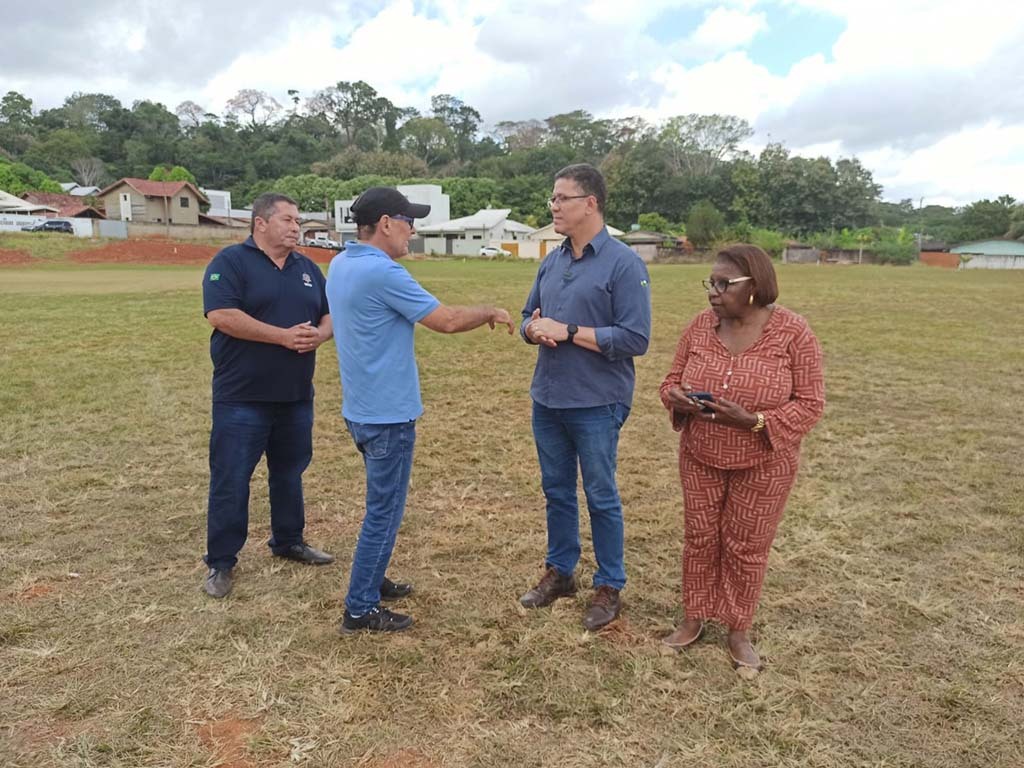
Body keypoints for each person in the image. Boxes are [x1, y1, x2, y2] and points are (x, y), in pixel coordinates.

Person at [326, 186, 514, 634]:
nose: (414, 229)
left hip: (360, 409)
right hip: (387, 415)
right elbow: (445, 320)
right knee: (384, 510)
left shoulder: (340, 263)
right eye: (409, 221)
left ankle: (371, 577)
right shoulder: (383, 272)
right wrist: (489, 310)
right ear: (387, 224)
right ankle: (360, 607)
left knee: (381, 507)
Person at [658, 244, 825, 671]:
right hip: (701, 454)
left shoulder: (792, 332)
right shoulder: (700, 327)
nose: (712, 292)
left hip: (764, 462)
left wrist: (753, 421)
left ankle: (737, 629)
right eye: (710, 283)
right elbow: (670, 381)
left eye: (723, 284)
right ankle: (693, 618)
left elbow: (810, 404)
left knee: (746, 547)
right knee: (700, 538)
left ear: (754, 286)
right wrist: (676, 397)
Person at [518, 164, 652, 631]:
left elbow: (636, 338)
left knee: (600, 494)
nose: (553, 206)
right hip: (548, 397)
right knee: (556, 490)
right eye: (552, 198)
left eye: (561, 198)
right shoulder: (551, 261)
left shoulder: (624, 263)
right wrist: (533, 329)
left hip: (597, 401)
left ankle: (609, 583)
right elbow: (525, 317)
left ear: (590, 203)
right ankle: (561, 571)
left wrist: (570, 331)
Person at [201, 193, 335, 599]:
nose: (297, 228)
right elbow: (221, 315)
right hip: (243, 396)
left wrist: (320, 335)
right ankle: (221, 562)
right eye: (288, 220)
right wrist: (281, 337)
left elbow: (330, 314)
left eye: (299, 222)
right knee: (231, 478)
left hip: (295, 395)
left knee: (290, 472)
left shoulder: (308, 268)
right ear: (260, 223)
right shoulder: (230, 262)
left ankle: (288, 540)